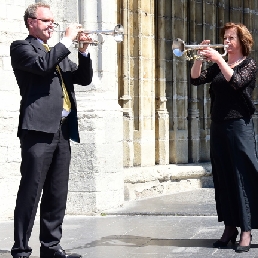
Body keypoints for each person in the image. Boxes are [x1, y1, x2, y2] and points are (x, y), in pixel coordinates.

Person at [10, 2, 93, 258]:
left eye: (52, 21)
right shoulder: (22, 47)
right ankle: (21, 249)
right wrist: (67, 41)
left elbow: (83, 78)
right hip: (37, 129)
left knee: (57, 193)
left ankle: (51, 247)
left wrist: (84, 51)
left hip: (62, 131)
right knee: (31, 191)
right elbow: (42, 66)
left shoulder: (56, 53)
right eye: (46, 21)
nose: (51, 25)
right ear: (31, 22)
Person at [190, 22, 258, 253]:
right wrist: (200, 57)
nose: (227, 42)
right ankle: (230, 228)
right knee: (223, 177)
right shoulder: (220, 66)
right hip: (218, 126)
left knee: (242, 176)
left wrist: (218, 59)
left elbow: (237, 82)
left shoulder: (249, 64)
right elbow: (196, 79)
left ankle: (247, 230)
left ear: (242, 41)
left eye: (231, 38)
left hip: (239, 126)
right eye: (225, 38)